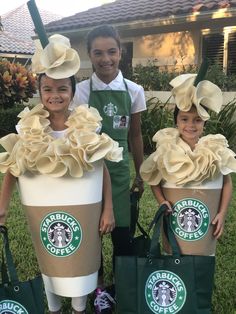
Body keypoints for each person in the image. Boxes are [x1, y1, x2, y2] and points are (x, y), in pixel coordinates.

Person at [0, 34, 123, 314]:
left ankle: (79, 308)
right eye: (47, 89)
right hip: (42, 208)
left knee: (79, 258)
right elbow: (13, 167)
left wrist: (108, 209)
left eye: (62, 89)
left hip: (83, 207)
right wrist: (3, 205)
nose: (55, 95)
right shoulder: (28, 128)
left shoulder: (87, 125)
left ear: (73, 90)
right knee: (50, 257)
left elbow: (101, 167)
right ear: (39, 91)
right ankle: (54, 308)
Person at [140, 74, 236, 300]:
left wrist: (222, 213)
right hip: (175, 222)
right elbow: (154, 179)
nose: (190, 125)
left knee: (203, 259)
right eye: (184, 119)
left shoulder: (215, 149)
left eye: (197, 120)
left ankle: (198, 298)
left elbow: (226, 182)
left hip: (205, 226)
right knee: (174, 256)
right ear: (176, 121)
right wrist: (161, 200)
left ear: (205, 123)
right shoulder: (167, 149)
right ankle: (177, 295)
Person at [73, 24, 146, 313]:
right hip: (89, 171)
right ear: (89, 55)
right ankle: (100, 288)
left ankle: (122, 286)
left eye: (112, 51)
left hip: (118, 172)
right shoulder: (80, 91)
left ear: (121, 52)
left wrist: (141, 173)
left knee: (122, 237)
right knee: (92, 237)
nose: (106, 59)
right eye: (98, 53)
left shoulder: (134, 90)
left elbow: (136, 135)